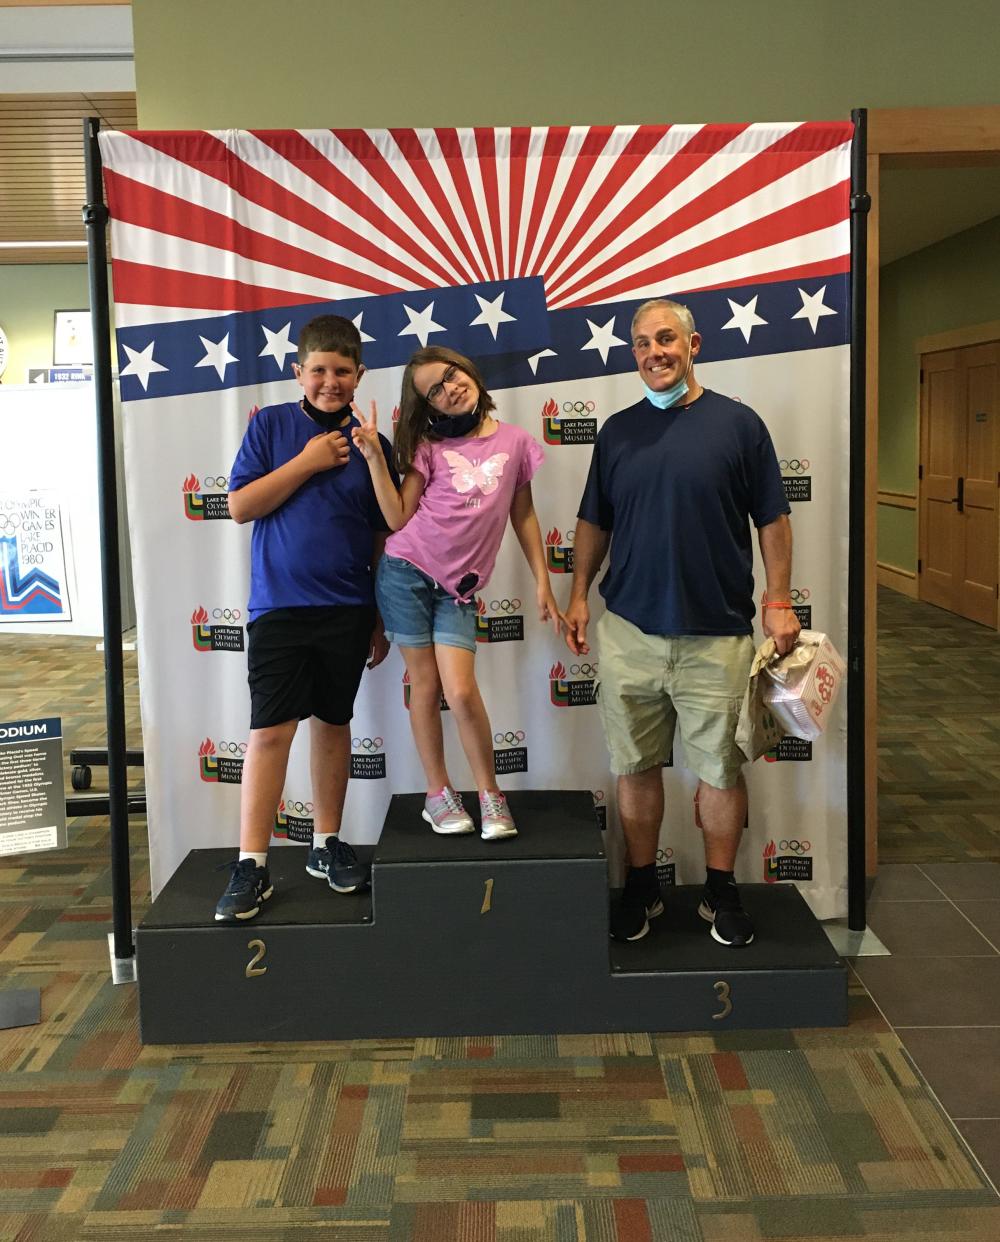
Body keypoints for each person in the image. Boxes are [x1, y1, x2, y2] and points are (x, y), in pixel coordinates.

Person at [566, 298, 800, 946]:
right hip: (631, 634)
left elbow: (773, 519)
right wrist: (580, 591)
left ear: (694, 344)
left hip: (718, 637)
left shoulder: (740, 425)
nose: (653, 352)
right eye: (641, 343)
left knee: (721, 771)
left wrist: (778, 596)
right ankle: (642, 886)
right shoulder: (615, 432)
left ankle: (720, 892)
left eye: (665, 338)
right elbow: (594, 520)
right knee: (635, 767)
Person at [214, 315, 394, 922]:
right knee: (269, 732)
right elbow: (240, 506)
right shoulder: (270, 425)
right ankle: (252, 863)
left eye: (342, 371)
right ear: (298, 372)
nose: (329, 381)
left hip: (346, 608)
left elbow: (379, 532)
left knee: (332, 722)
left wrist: (375, 613)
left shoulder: (373, 442)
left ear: (359, 375)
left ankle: (326, 843)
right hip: (280, 609)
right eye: (318, 370)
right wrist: (309, 461)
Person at [352, 346, 562, 840]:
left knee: (462, 691)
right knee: (425, 686)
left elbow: (523, 515)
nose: (450, 388)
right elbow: (398, 518)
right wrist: (374, 459)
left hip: (459, 590)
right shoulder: (428, 447)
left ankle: (491, 795)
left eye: (451, 375)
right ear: (430, 407)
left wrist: (542, 581)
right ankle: (437, 793)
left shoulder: (515, 442)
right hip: (405, 572)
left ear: (468, 370)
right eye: (435, 390)